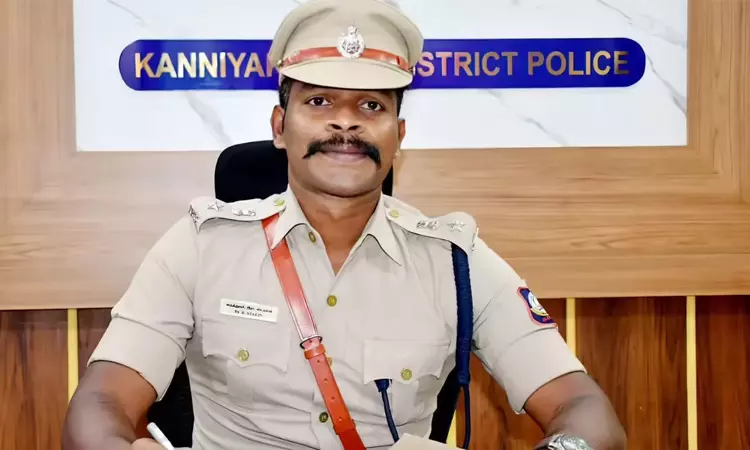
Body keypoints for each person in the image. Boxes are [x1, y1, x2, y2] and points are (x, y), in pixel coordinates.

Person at [62, 0, 627, 449]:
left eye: (371, 106)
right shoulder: (200, 246)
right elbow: (101, 402)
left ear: (398, 136)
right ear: (280, 126)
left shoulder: (456, 260)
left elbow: (583, 409)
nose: (345, 124)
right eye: (320, 102)